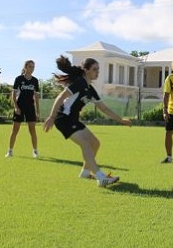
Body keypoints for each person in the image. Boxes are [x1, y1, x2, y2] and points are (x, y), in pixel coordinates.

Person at [43, 55, 131, 187]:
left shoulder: (90, 89)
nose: (97, 72)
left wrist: (121, 120)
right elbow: (60, 97)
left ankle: (85, 172)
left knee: (95, 143)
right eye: (95, 69)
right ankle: (101, 177)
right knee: (85, 144)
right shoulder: (79, 83)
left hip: (73, 119)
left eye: (98, 69)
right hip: (63, 118)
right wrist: (52, 116)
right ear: (86, 70)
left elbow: (104, 108)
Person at [5, 60, 40, 158]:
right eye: (30, 66)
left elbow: (36, 96)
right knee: (15, 130)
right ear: (25, 67)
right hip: (20, 106)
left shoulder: (35, 81)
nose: (32, 69)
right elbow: (14, 94)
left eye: (33, 67)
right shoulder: (19, 79)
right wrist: (16, 107)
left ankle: (35, 151)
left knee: (32, 130)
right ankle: (10, 151)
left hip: (30, 107)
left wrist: (37, 111)